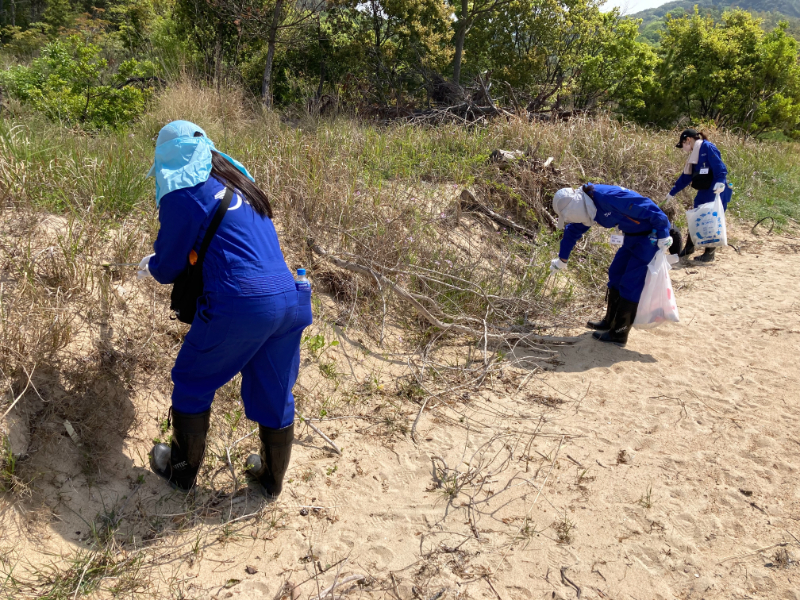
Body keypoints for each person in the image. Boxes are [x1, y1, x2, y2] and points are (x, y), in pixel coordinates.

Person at [138, 120, 312, 496]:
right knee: (275, 389)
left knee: (192, 380)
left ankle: (181, 471)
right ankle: (270, 478)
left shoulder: (183, 192)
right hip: (290, 299)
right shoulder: (241, 184)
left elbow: (167, 268)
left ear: (167, 158)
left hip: (241, 304)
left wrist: (150, 264)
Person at [550, 184, 671, 347]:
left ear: (574, 207)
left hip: (650, 237)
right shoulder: (586, 206)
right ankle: (610, 321)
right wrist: (562, 259)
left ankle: (619, 333)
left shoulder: (607, 198)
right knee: (615, 273)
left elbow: (650, 208)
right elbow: (572, 231)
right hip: (631, 236)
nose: (570, 219)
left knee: (630, 281)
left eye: (568, 216)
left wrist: (664, 234)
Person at [666, 129, 732, 264]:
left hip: (716, 189)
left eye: (683, 143)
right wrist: (672, 192)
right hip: (704, 190)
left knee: (711, 219)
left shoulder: (707, 147)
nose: (684, 148)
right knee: (696, 215)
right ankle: (690, 247)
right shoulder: (694, 155)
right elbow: (686, 177)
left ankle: (709, 253)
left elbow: (719, 166)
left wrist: (720, 181)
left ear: (688, 140)